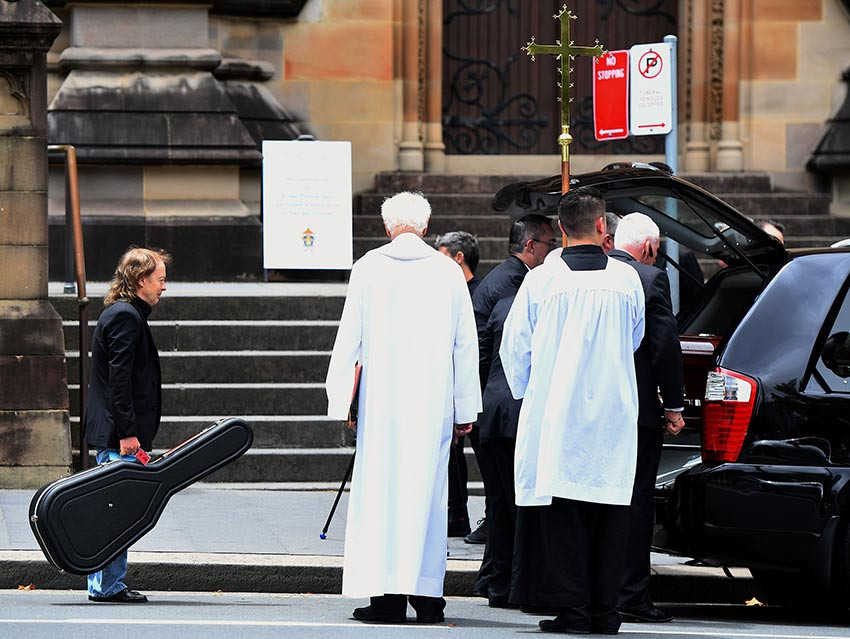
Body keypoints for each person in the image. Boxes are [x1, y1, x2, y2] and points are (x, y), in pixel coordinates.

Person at [325, 191, 481, 624]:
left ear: (386, 226)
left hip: (383, 403)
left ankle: (387, 599)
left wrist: (341, 398)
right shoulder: (448, 272)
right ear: (427, 227)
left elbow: (348, 337)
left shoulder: (369, 267)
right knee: (428, 499)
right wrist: (465, 406)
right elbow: (464, 344)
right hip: (431, 402)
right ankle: (428, 599)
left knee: (382, 498)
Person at [502, 186, 645, 635]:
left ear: (560, 229)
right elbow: (636, 338)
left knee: (563, 512)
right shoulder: (627, 280)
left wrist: (533, 392)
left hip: (557, 411)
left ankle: (574, 610)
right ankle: (606, 611)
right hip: (613, 411)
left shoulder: (543, 280)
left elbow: (515, 348)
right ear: (603, 227)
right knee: (608, 513)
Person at [470, 214, 555, 601]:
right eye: (549, 246)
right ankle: (517, 584)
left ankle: (494, 581)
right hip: (514, 412)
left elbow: (485, 358)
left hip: (491, 411)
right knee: (519, 505)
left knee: (501, 504)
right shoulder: (520, 291)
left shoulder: (505, 290)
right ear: (531, 247)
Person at [608, 213, 685, 624]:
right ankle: (631, 595)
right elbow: (664, 347)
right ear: (651, 248)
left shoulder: (589, 274)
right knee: (636, 504)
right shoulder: (650, 279)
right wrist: (674, 405)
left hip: (593, 410)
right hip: (637, 411)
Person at [85, 247, 170, 603]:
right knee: (115, 513)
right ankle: (106, 585)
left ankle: (106, 583)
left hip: (118, 433)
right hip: (119, 437)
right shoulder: (125, 317)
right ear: (140, 280)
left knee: (115, 510)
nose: (164, 287)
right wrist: (128, 434)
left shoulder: (126, 313)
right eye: (160, 279)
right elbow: (119, 381)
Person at [435, 231, 481, 537]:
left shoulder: (475, 292)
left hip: (470, 384)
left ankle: (459, 513)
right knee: (451, 457)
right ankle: (456, 513)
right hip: (451, 383)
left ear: (458, 258)